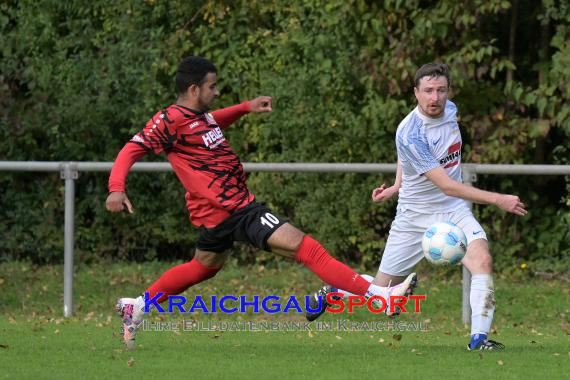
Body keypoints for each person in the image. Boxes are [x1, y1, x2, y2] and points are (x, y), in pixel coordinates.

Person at [106, 56, 417, 349]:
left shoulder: (198, 118)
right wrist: (116, 188)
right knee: (306, 248)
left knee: (202, 268)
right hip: (236, 209)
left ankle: (138, 305)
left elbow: (213, 122)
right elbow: (132, 149)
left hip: (216, 215)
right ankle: (382, 297)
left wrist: (244, 108)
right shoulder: (169, 120)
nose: (216, 92)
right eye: (212, 86)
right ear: (193, 89)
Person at [305, 63, 527, 351]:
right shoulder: (410, 132)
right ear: (415, 92)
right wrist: (499, 199)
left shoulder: (450, 110)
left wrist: (397, 183)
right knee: (382, 290)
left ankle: (479, 340)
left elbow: (415, 166)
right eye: (428, 91)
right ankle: (334, 291)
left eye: (441, 90)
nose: (435, 98)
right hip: (414, 216)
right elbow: (444, 182)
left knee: (482, 261)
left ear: (448, 90)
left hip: (452, 210)